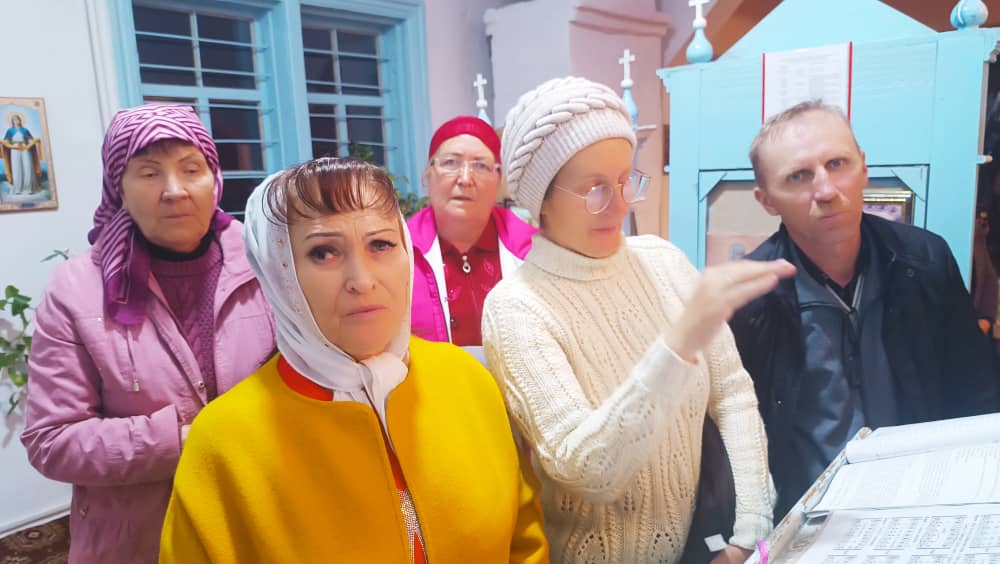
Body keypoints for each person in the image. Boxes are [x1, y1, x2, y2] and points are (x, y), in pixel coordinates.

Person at [159, 157, 548, 563]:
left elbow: (524, 542)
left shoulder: (468, 382)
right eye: (324, 252)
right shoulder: (223, 445)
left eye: (381, 244)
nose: (362, 281)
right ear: (280, 274)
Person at [482, 76, 795, 564]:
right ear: (541, 198)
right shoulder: (516, 307)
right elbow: (588, 470)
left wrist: (749, 535)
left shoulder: (663, 262)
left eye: (627, 179)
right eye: (594, 189)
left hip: (703, 545)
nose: (621, 203)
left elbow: (731, 393)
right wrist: (678, 344)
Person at [20, 104, 276, 564]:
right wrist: (187, 439)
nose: (174, 190)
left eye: (191, 169)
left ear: (215, 178)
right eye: (150, 173)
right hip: (140, 541)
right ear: (118, 187)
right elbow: (52, 441)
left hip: (258, 522)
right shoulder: (76, 290)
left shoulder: (267, 264)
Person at [729, 100, 1000, 521]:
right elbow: (736, 440)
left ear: (864, 168)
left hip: (923, 500)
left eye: (837, 164)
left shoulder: (925, 261)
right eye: (799, 176)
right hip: (807, 518)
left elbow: (976, 392)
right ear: (766, 200)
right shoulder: (748, 298)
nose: (825, 190)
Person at [409, 116, 536, 346]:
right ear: (427, 174)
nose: (465, 179)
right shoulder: (400, 252)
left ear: (498, 180)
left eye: (480, 166)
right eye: (450, 163)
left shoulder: (535, 251)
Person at [2, 113, 42, 195]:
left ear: (20, 120)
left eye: (18, 119)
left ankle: (28, 189)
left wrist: (32, 143)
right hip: (14, 149)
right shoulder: (10, 131)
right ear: (12, 121)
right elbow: (6, 141)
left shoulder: (25, 130)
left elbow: (31, 140)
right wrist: (10, 145)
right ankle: (18, 189)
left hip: (25, 148)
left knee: (27, 167)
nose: (16, 121)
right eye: (15, 120)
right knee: (16, 168)